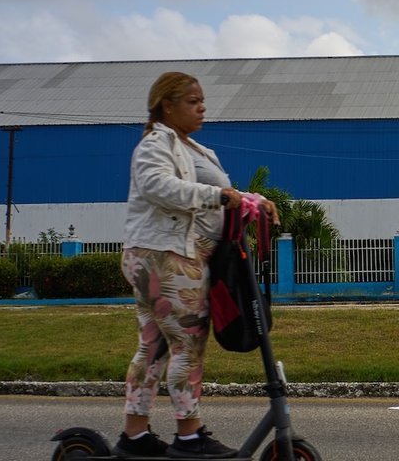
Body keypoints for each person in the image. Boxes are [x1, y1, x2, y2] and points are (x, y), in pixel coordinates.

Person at [115, 71, 278, 459]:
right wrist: (218, 197)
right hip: (165, 256)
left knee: (153, 347)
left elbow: (222, 193)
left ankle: (134, 436)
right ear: (166, 106)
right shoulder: (156, 144)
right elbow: (159, 187)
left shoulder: (196, 149)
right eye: (192, 101)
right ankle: (189, 435)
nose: (201, 107)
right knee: (187, 345)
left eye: (202, 100)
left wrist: (251, 200)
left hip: (170, 256)